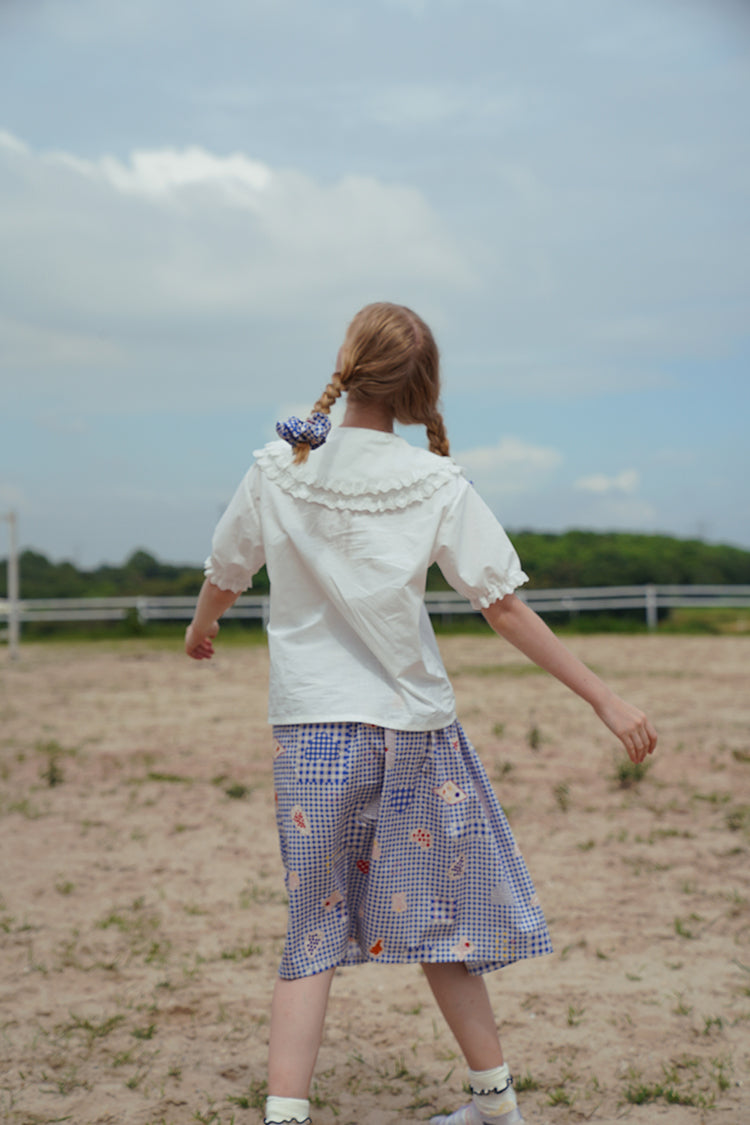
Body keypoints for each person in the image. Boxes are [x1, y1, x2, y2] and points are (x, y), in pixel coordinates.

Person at [185, 302, 657, 1125]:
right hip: (414, 731)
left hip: (313, 734)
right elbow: (503, 608)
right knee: (440, 922)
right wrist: (604, 696)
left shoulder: (278, 467)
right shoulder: (436, 482)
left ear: (346, 363)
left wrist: (202, 625)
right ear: (420, 389)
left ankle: (285, 1114)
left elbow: (227, 568)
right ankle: (496, 1105)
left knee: (312, 926)